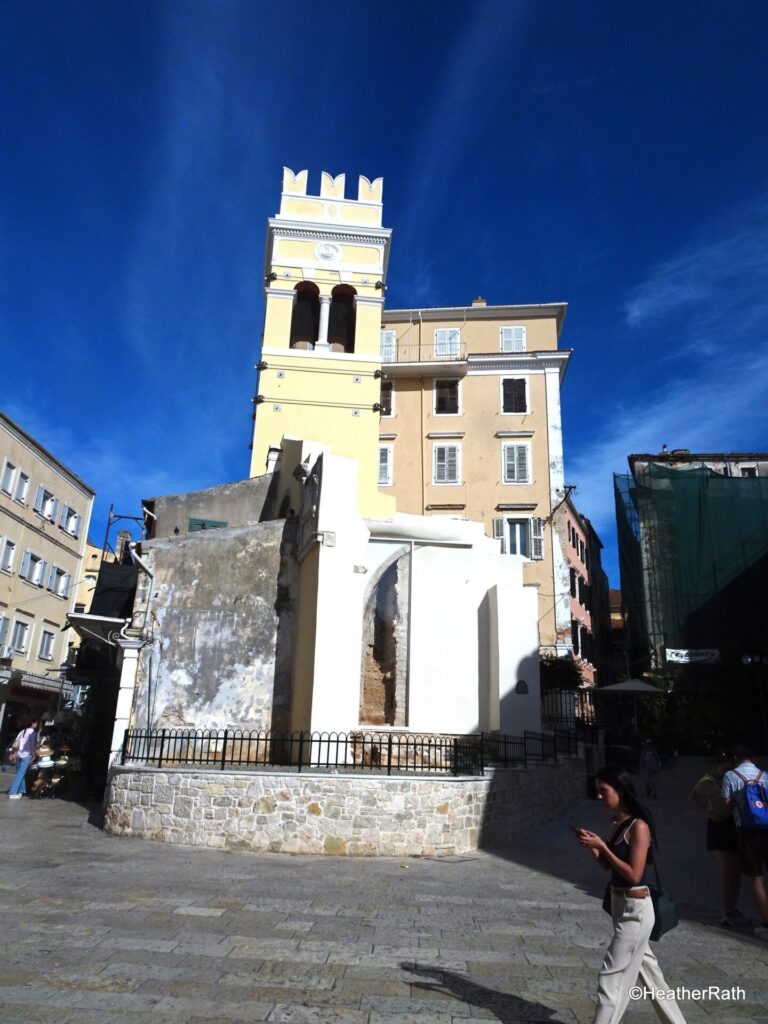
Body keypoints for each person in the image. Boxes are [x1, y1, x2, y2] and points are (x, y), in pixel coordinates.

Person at [574, 765, 686, 1024]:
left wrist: (602, 845)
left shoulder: (639, 826)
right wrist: (593, 846)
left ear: (620, 790)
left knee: (610, 978)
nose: (599, 797)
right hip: (619, 904)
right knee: (652, 976)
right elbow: (607, 866)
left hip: (636, 909)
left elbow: (634, 874)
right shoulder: (615, 822)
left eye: (604, 791)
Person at [689, 750, 747, 928]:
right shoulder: (708, 780)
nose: (727, 766)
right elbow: (694, 796)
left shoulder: (735, 777)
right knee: (729, 870)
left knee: (735, 871)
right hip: (719, 825)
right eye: (724, 763)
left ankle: (733, 908)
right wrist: (708, 811)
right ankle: (729, 910)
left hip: (735, 824)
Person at [721, 745, 768, 938]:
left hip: (746, 831)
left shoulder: (731, 776)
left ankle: (767, 924)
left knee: (757, 878)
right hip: (767, 829)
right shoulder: (764, 775)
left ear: (736, 758)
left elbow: (725, 805)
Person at [8, 717, 40, 799]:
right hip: (26, 755)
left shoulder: (22, 731)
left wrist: (13, 753)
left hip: (19, 754)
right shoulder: (33, 732)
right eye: (36, 723)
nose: (37, 724)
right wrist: (34, 755)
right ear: (33, 724)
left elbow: (16, 742)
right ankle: (13, 792)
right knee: (20, 774)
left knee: (20, 774)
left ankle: (21, 791)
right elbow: (33, 745)